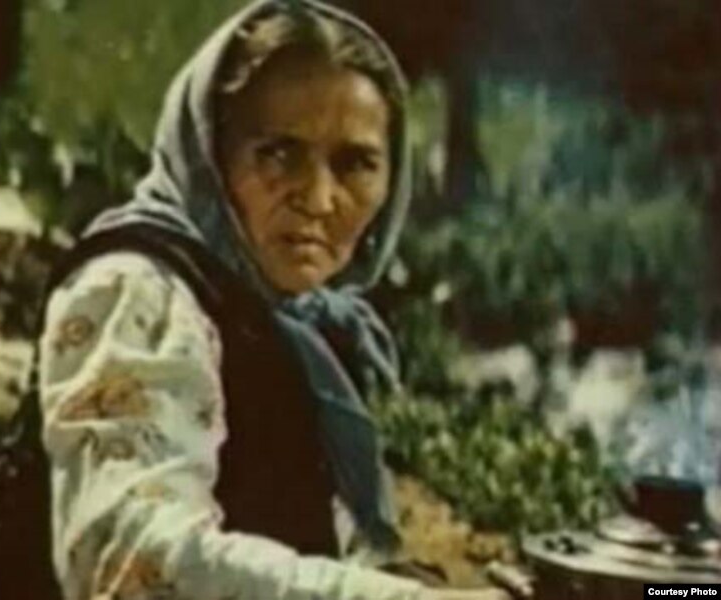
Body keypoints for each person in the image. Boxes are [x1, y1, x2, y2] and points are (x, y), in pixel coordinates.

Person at [38, 1, 510, 598]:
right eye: (279, 154)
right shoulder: (139, 290)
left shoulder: (293, 321)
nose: (318, 198)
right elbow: (133, 557)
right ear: (211, 153)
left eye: (355, 163)